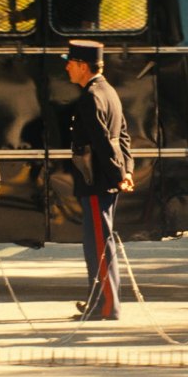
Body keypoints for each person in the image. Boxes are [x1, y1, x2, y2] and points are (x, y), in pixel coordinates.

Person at [63, 40, 134, 321]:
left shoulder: (90, 96)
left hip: (96, 180)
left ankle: (105, 306)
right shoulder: (109, 91)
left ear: (82, 66)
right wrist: (126, 171)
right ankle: (103, 300)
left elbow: (102, 142)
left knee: (97, 245)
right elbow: (123, 137)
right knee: (102, 242)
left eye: (70, 62)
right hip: (110, 177)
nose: (67, 67)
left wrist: (118, 175)